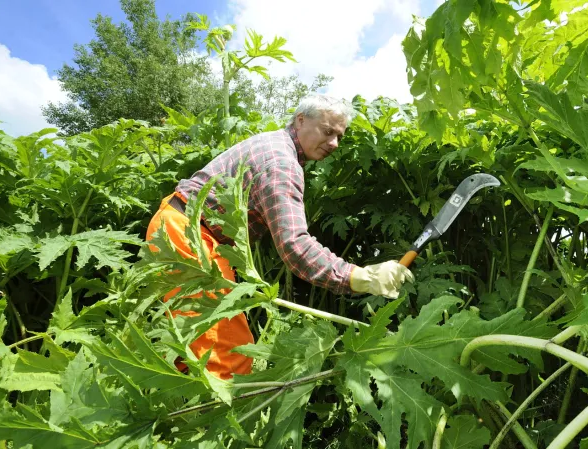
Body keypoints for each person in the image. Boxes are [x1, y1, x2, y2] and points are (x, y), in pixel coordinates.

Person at [145, 94, 414, 379]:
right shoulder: (281, 164)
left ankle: (181, 414)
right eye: (328, 132)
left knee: (189, 346)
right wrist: (360, 277)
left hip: (178, 226)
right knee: (226, 360)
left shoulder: (275, 144)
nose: (334, 143)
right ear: (300, 120)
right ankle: (219, 420)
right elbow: (294, 246)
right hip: (188, 237)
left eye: (339, 136)